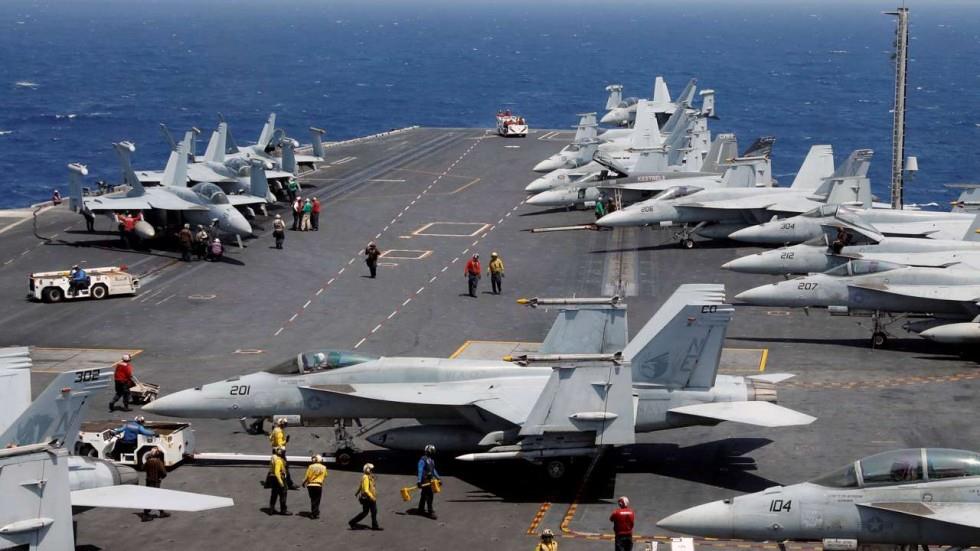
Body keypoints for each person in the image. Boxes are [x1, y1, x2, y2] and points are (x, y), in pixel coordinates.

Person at [140, 448, 171, 521]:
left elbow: (142, 468)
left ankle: (160, 512)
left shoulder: (148, 462)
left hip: (148, 482)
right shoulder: (158, 462)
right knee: (155, 497)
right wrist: (161, 478)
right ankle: (145, 515)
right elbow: (164, 473)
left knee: (151, 497)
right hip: (156, 482)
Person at [349, 463, 381, 530]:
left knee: (369, 512)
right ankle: (374, 526)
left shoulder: (367, 476)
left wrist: (357, 493)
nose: (372, 471)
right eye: (371, 469)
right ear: (367, 469)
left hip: (367, 497)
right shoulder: (366, 478)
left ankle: (352, 522)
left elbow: (361, 486)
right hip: (368, 498)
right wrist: (372, 497)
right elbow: (366, 490)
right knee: (371, 511)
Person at [269, 419, 297, 489]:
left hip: (274, 450)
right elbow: (280, 443)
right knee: (285, 467)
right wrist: (285, 441)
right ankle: (289, 484)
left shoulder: (275, 429)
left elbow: (270, 438)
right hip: (280, 452)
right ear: (282, 424)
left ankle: (271, 483)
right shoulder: (279, 432)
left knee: (275, 467)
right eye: (285, 424)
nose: (285, 426)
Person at [416, 444, 441, 519]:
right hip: (425, 480)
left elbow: (433, 470)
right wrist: (419, 481)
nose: (433, 452)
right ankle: (430, 512)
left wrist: (438, 478)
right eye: (432, 451)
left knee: (424, 495)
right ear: (428, 451)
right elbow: (420, 470)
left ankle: (420, 509)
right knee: (430, 496)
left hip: (429, 480)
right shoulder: (423, 460)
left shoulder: (431, 460)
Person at [303, 454, 328, 519]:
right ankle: (314, 513)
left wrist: (303, 483)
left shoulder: (311, 466)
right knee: (317, 499)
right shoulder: (324, 467)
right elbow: (325, 475)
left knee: (313, 499)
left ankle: (315, 511)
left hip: (310, 485)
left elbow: (307, 476)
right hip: (318, 485)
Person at [267, 447, 290, 515]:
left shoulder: (275, 458)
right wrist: (281, 482)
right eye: (283, 452)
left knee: (274, 494)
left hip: (274, 479)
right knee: (283, 495)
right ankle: (283, 510)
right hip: (279, 479)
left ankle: (271, 509)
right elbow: (277, 473)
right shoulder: (278, 460)